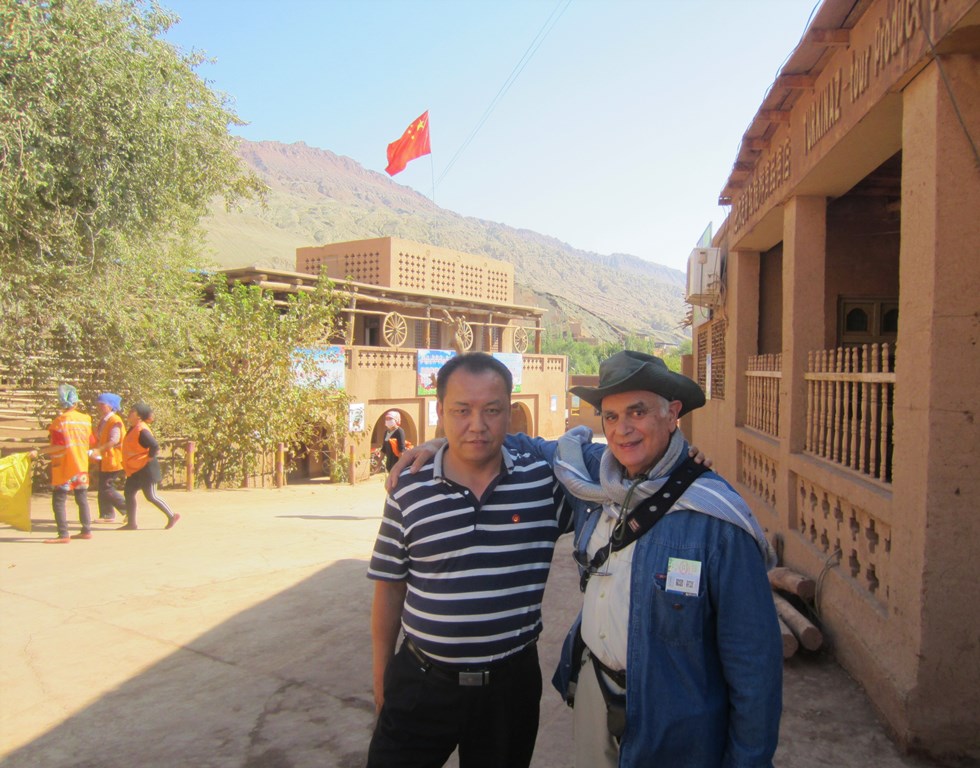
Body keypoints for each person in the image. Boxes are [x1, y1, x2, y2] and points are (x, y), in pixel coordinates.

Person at [391, 351, 782, 767]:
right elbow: (521, 444)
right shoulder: (596, 479)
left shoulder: (716, 519)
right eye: (611, 417)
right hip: (596, 693)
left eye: (637, 412)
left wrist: (749, 760)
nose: (623, 430)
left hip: (677, 715)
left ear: (672, 414)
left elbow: (754, 663)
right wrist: (441, 443)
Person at [366, 352, 573, 768]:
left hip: (509, 691)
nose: (477, 425)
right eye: (462, 410)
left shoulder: (543, 484)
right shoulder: (409, 488)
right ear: (440, 411)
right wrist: (382, 676)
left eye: (492, 410)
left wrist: (690, 466)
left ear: (509, 414)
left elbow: (621, 475)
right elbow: (390, 587)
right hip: (422, 682)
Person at [43, 384, 94, 543]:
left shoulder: (60, 421)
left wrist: (39, 451)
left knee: (59, 499)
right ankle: (86, 530)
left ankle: (63, 534)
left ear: (61, 402)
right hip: (81, 466)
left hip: (65, 467)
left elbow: (58, 445)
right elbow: (91, 441)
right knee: (82, 497)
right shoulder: (86, 420)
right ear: (76, 402)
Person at [119, 402, 179, 531]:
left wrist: (149, 458)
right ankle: (131, 523)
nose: (129, 413)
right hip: (136, 469)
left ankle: (172, 515)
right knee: (129, 493)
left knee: (151, 495)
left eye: (132, 412)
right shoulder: (133, 428)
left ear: (139, 416)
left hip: (147, 469)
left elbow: (154, 446)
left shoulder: (142, 430)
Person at [91, 392, 127, 522]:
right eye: (98, 404)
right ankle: (106, 514)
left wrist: (98, 449)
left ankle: (127, 509)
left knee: (106, 487)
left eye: (103, 404)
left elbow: (114, 440)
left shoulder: (115, 421)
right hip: (105, 458)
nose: (100, 407)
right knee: (102, 486)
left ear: (111, 406)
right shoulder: (104, 420)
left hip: (113, 458)